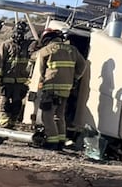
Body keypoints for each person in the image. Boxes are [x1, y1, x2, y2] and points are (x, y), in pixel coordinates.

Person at [32, 21, 87, 150]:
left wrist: (42, 81)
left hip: (51, 87)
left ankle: (52, 141)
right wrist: (75, 78)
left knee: (47, 115)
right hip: (66, 88)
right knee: (59, 115)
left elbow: (41, 70)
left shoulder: (45, 50)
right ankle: (61, 140)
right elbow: (82, 65)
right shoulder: (72, 50)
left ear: (47, 39)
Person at [0, 19, 33, 128]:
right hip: (7, 79)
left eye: (22, 32)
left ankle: (12, 123)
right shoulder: (6, 45)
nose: (19, 35)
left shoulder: (27, 46)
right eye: (18, 32)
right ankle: (4, 122)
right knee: (5, 102)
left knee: (17, 104)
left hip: (20, 82)